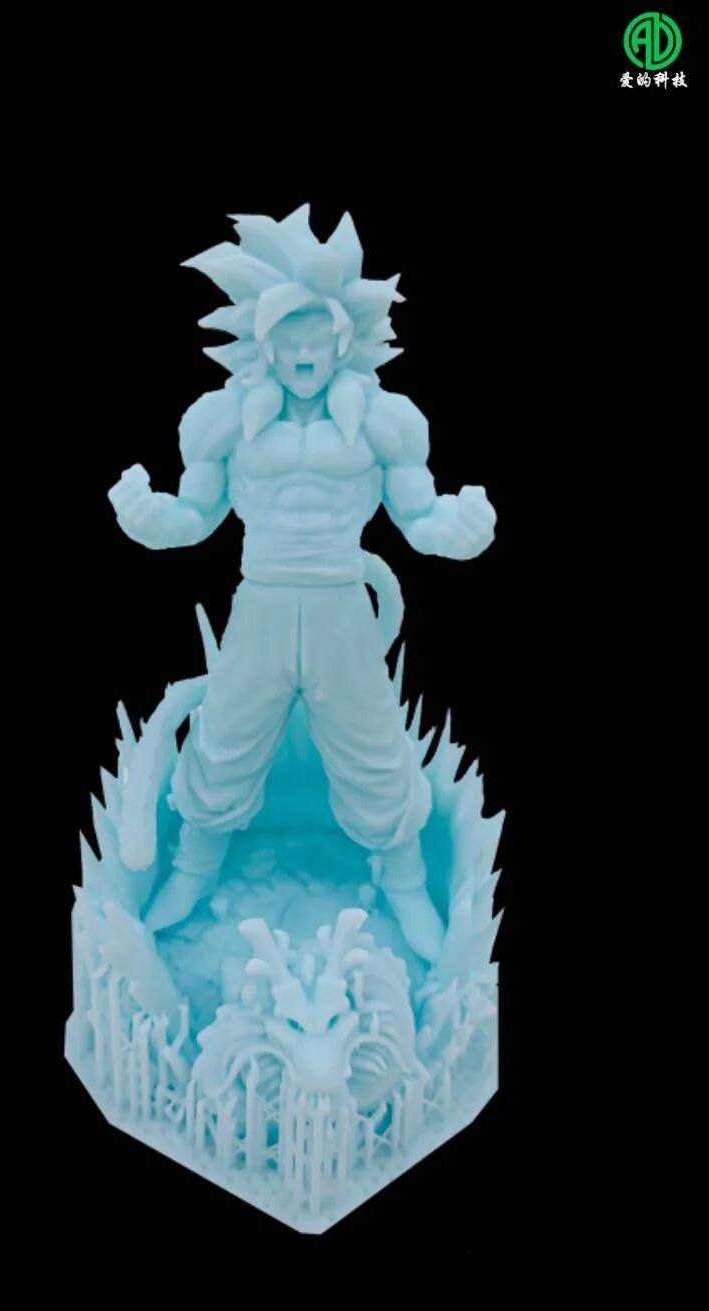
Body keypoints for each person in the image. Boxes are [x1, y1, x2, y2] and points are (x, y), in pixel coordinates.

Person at [108, 207, 495, 962]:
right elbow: (193, 516)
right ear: (265, 342)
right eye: (289, 336)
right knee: (224, 740)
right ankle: (193, 870)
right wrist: (146, 517)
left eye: (318, 335)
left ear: (345, 339)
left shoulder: (387, 421)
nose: (304, 351)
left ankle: (405, 882)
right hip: (261, 599)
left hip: (341, 602)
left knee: (373, 747)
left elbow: (420, 516)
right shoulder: (223, 419)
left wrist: (458, 530)